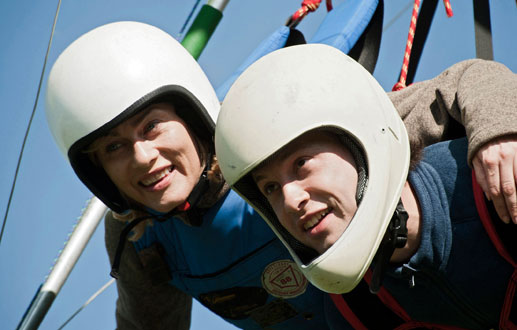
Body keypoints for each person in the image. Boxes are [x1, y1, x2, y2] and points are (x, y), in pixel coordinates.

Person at [45, 22, 515, 330]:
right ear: (99, 172)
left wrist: (497, 131)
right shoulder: (141, 239)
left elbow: (455, 86)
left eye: (152, 127)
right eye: (114, 148)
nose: (144, 157)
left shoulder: (272, 137)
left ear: (190, 116)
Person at [215, 44, 517, 329]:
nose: (291, 199)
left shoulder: (495, 190)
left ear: (359, 142)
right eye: (270, 188)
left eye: (301, 164)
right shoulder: (355, 313)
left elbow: (468, 78)